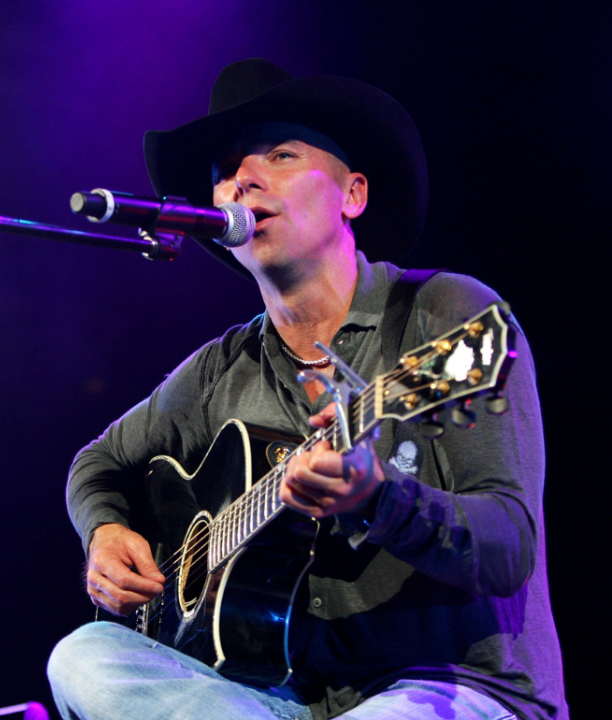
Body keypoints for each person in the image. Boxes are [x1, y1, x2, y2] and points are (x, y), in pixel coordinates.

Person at [47, 59, 568, 720]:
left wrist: (381, 500)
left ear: (352, 194)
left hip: (451, 689)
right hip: (283, 699)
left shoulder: (443, 318)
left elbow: (508, 547)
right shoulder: (220, 369)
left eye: (282, 154)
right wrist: (104, 531)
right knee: (82, 655)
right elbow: (94, 464)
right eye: (227, 170)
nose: (245, 178)